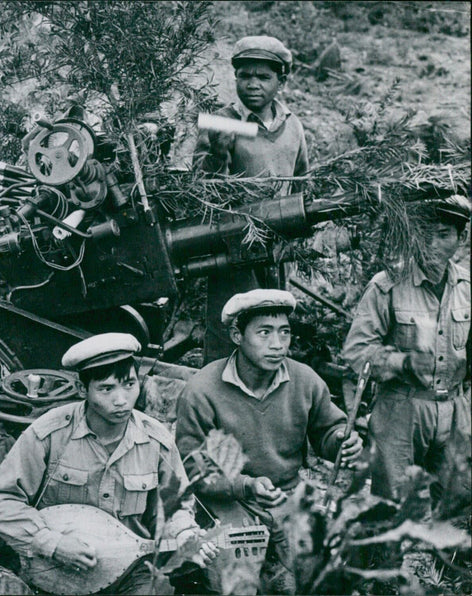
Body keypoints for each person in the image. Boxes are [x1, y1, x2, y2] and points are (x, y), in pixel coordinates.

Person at [0, 333, 218, 595]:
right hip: (56, 575)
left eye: (129, 384)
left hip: (131, 571)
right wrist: (52, 543)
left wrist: (184, 532)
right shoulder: (49, 434)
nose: (121, 400)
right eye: (106, 388)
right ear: (83, 390)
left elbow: (175, 506)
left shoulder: (156, 440)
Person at [175, 290, 362, 593]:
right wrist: (245, 485)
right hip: (229, 500)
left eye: (284, 333)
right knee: (236, 575)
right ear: (237, 335)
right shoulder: (202, 390)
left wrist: (341, 441)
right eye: (264, 332)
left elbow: (330, 429)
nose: (277, 345)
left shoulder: (305, 380)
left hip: (287, 493)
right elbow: (193, 469)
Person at [342, 192, 470, 501]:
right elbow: (356, 353)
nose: (432, 245)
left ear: (462, 237)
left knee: (457, 508)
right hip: (401, 410)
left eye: (443, 235)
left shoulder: (468, 289)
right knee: (392, 509)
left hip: (456, 411)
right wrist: (402, 362)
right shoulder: (387, 285)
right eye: (424, 235)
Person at [195, 36, 310, 363]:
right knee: (230, 324)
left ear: (282, 81)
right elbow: (202, 190)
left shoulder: (292, 125)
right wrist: (217, 153)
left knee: (272, 322)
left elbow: (302, 181)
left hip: (276, 245)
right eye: (245, 76)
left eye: (263, 77)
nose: (253, 85)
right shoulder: (223, 120)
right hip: (234, 245)